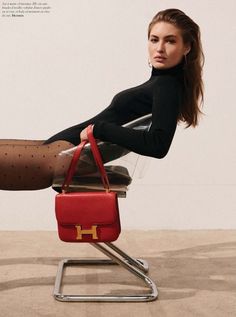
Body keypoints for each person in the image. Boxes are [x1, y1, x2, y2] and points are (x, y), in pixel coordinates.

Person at [0, 8, 204, 191]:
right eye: (154, 39)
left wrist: (100, 129)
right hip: (58, 150)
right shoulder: (159, 83)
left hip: (63, 157)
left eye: (170, 41)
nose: (159, 48)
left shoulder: (167, 87)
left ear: (187, 47)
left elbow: (158, 145)